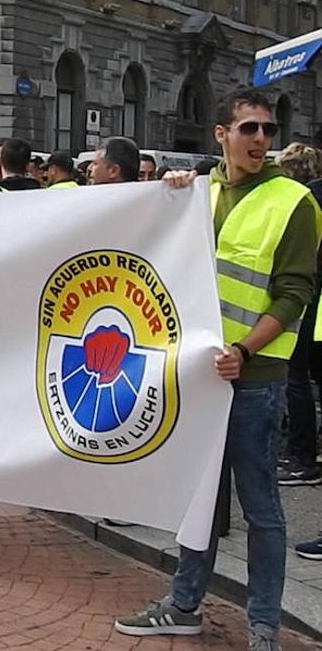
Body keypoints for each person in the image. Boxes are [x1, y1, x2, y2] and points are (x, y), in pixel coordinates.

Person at [115, 90, 321, 651]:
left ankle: (263, 628)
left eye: (268, 130)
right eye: (249, 128)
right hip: (200, 376)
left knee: (262, 509)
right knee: (197, 498)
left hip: (253, 378)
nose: (260, 139)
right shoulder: (199, 194)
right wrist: (172, 194)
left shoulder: (293, 201)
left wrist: (247, 352)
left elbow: (294, 292)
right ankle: (184, 605)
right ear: (221, 135)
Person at [275, 143, 322, 487]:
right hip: (314, 293)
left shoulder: (304, 202)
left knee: (297, 373)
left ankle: (302, 456)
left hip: (309, 295)